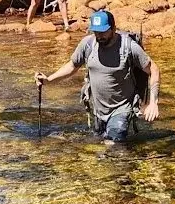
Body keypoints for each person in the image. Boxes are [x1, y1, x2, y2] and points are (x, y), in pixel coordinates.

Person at [36, 9, 159, 142]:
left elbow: (154, 69)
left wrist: (153, 102)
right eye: (96, 32)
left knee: (114, 142)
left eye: (103, 32)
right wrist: (49, 79)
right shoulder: (88, 44)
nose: (99, 36)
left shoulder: (129, 47)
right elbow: (72, 66)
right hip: (99, 110)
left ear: (113, 28)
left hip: (122, 108)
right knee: (98, 141)